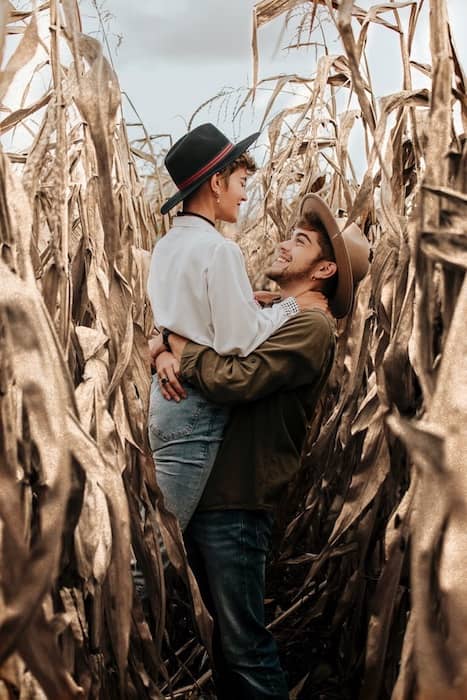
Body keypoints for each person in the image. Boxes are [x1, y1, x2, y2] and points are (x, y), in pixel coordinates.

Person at [156, 194, 370, 699]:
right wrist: (162, 342)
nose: (281, 243)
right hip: (215, 496)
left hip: (239, 502)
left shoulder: (312, 328)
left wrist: (180, 353)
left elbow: (238, 379)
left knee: (246, 648)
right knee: (227, 648)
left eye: (298, 242)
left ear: (323, 269)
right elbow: (198, 326)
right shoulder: (276, 313)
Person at [147, 123, 326, 531]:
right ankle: (115, 599)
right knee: (162, 546)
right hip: (194, 404)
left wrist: (163, 346)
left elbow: (177, 320)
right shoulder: (219, 250)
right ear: (215, 183)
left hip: (162, 398)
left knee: (160, 533)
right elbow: (238, 340)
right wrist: (291, 307)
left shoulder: (165, 247)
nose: (245, 194)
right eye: (241, 182)